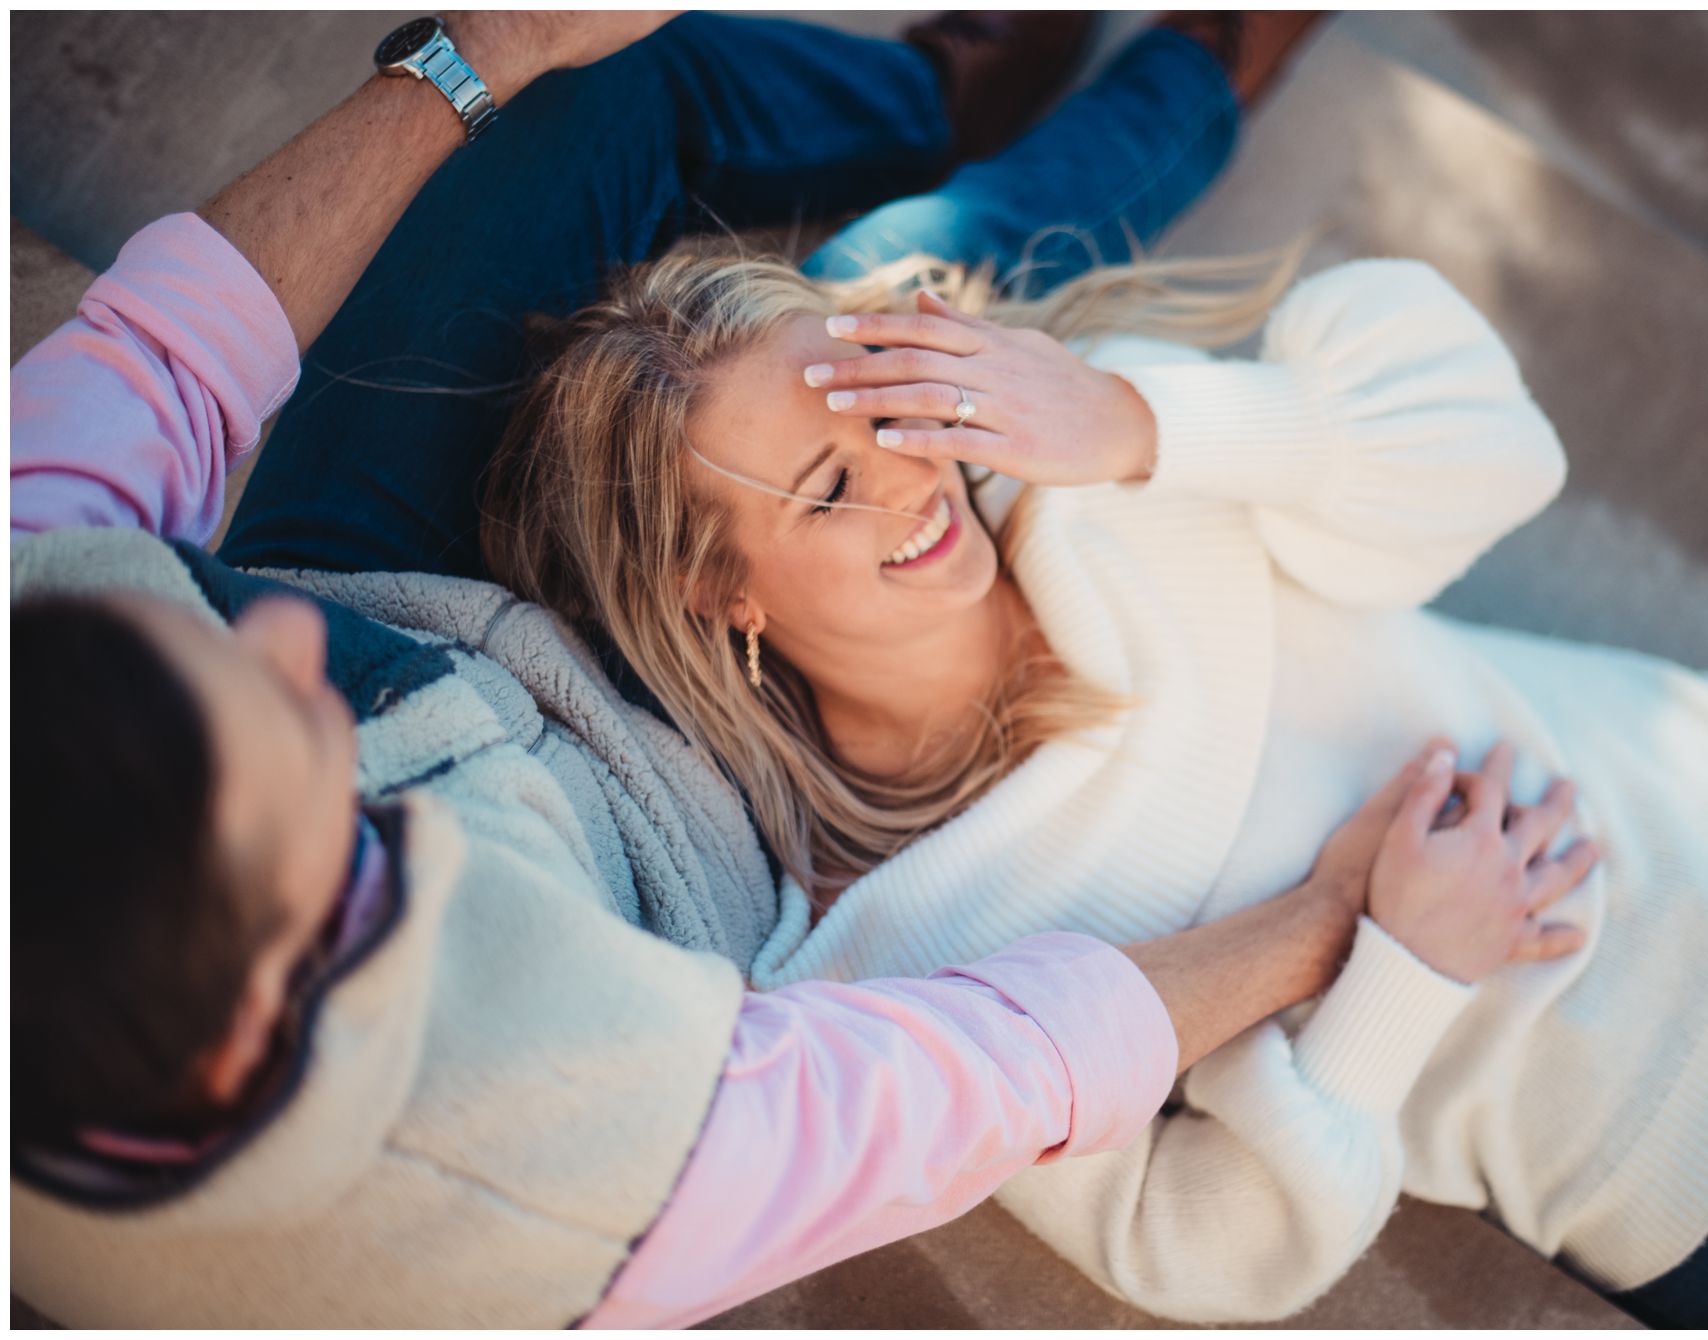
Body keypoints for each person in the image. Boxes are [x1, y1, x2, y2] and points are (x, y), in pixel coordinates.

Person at [10, 9, 1499, 1330]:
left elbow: (155, 364)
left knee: (592, 92)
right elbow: (1000, 1069)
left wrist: (489, 49)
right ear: (288, 979)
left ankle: (924, 95)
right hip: (675, 803)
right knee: (891, 321)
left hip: (381, 577)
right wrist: (1332, 922)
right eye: (279, 724)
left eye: (185, 634)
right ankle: (1196, 72)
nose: (263, 631)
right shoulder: (575, 1184)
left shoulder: (51, 621)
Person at [466, 112, 1708, 1336]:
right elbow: (1192, 1247)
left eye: (882, 424)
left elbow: (1492, 451)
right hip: (1692, 1167)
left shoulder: (1094, 458)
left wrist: (1143, 424)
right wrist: (1397, 972)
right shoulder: (894, 941)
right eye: (828, 491)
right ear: (712, 593)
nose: (912, 484)